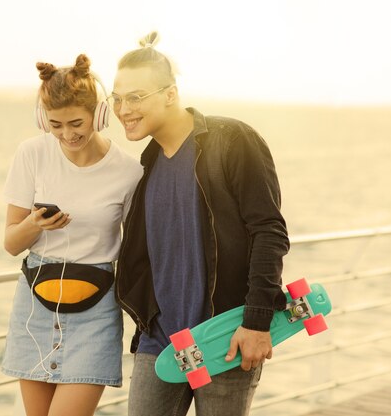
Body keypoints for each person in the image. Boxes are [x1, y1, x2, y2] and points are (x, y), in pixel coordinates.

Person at [111, 32, 290, 416]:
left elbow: (269, 230)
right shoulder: (148, 164)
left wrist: (257, 321)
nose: (123, 108)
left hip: (225, 336)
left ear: (170, 94)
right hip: (160, 342)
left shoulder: (230, 140)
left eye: (136, 97)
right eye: (118, 98)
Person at [1, 54, 142, 416]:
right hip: (35, 301)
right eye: (56, 125)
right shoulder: (31, 154)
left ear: (99, 114)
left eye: (76, 122)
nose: (67, 134)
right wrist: (35, 224)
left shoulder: (128, 171)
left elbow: (136, 250)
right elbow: (11, 244)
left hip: (96, 307)